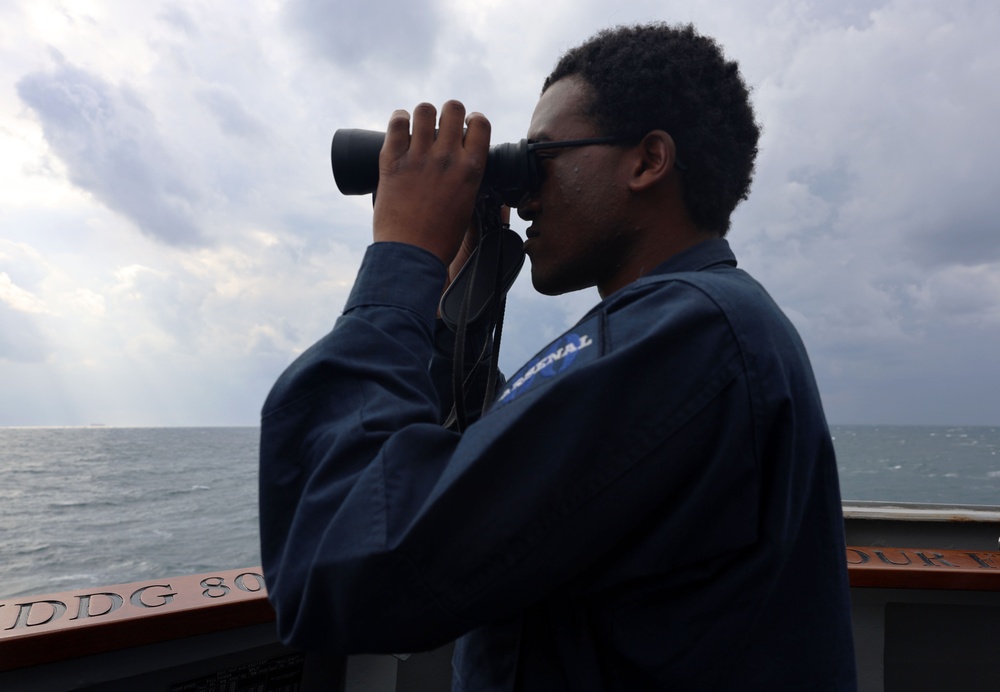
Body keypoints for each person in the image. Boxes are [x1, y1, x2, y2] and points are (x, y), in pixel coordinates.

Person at [259, 22, 858, 691]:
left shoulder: (688, 338)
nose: (520, 194)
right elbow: (473, 489)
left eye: (540, 159)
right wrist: (454, 308)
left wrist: (404, 256)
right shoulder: (688, 331)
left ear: (647, 161)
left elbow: (340, 564)